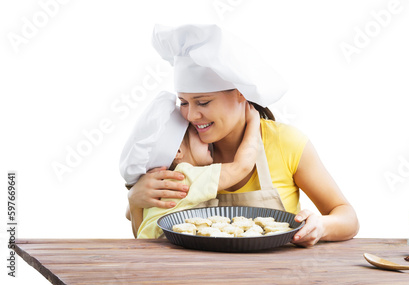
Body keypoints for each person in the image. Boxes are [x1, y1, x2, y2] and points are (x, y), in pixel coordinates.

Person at [125, 24, 359, 247]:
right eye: (184, 102)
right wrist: (134, 200)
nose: (191, 115)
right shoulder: (182, 149)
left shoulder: (286, 143)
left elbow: (348, 218)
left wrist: (321, 226)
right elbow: (147, 235)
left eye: (203, 102)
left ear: (240, 94)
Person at [121, 91, 261, 238]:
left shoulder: (158, 182)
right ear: (178, 152)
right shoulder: (186, 176)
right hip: (171, 252)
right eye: (195, 132)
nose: (205, 138)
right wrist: (253, 122)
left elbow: (129, 214)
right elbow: (242, 166)